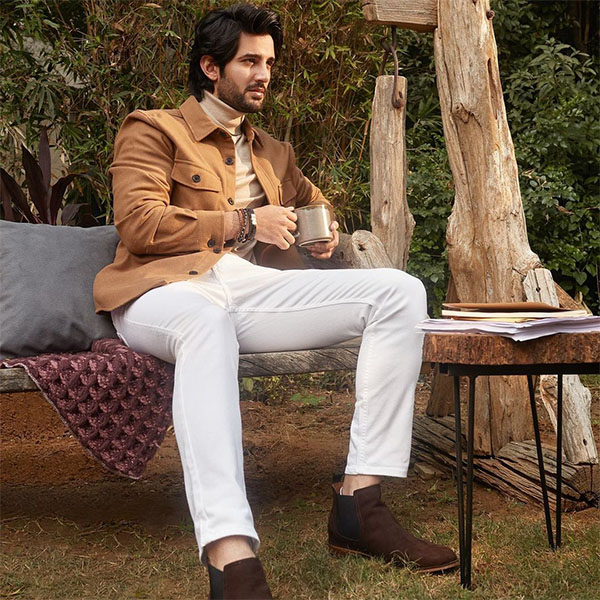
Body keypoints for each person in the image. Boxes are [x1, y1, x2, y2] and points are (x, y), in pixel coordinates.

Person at [93, 4, 458, 598]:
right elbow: (139, 224)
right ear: (211, 67)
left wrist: (323, 234)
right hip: (160, 292)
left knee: (401, 291)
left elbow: (315, 204)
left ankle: (360, 504)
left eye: (268, 62)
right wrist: (244, 223)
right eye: (249, 62)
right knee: (206, 321)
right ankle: (230, 555)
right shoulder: (154, 129)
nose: (263, 74)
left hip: (246, 290)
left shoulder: (272, 151)